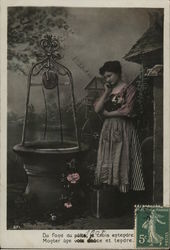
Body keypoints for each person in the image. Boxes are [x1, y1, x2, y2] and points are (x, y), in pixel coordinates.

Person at [93, 61, 145, 215]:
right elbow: (97, 109)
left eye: (109, 76)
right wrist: (106, 93)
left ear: (118, 72)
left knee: (123, 158)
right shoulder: (107, 91)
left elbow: (127, 110)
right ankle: (111, 203)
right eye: (105, 77)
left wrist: (109, 114)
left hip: (123, 129)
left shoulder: (129, 89)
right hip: (108, 130)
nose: (107, 79)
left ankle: (125, 203)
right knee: (109, 159)